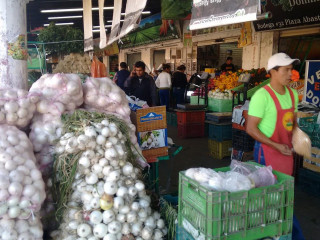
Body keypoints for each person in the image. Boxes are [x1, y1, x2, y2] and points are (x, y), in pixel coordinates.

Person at [246, 53, 304, 240]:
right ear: (273, 72)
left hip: (287, 152)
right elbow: (251, 128)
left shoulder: (293, 94)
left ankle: (280, 231)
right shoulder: (261, 96)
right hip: (267, 152)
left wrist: (298, 136)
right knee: (269, 196)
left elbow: (292, 123)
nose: (290, 74)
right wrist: (275, 145)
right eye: (286, 70)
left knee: (284, 195)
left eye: (291, 70)